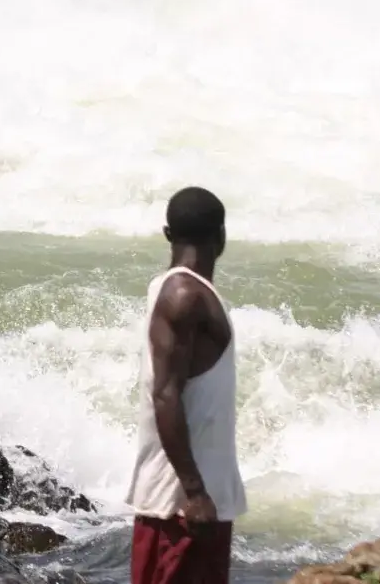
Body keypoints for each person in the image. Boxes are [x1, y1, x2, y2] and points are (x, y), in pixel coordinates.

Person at [125, 186, 247, 584]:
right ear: (222, 237)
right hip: (182, 510)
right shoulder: (184, 296)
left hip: (188, 505)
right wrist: (194, 492)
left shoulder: (173, 289)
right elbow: (166, 393)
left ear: (167, 234)